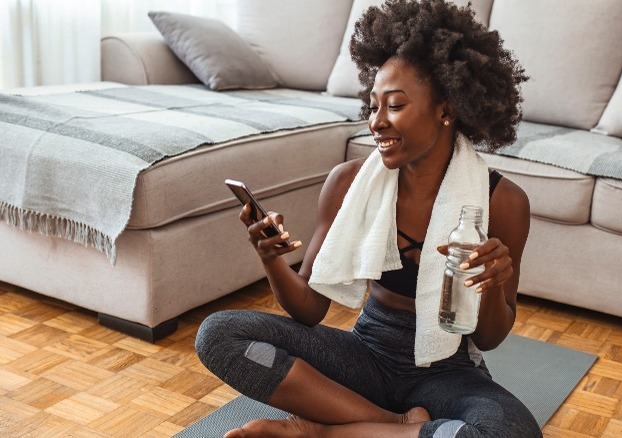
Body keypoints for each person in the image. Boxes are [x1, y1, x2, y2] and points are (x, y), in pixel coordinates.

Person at [195, 0, 540, 436]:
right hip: (366, 354)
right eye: (373, 106)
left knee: (512, 432)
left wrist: (491, 287)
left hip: (448, 370)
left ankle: (322, 431)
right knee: (218, 334)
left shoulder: (503, 202)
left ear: (446, 109)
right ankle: (392, 426)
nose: (376, 122)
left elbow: (489, 338)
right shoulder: (347, 183)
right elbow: (308, 309)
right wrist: (268, 258)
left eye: (394, 106)